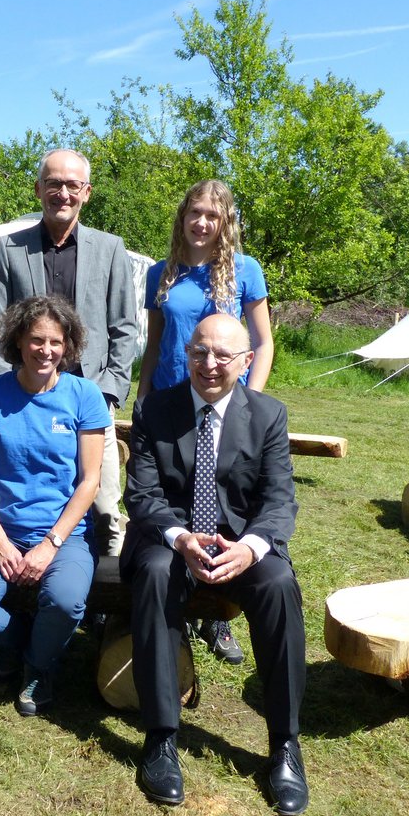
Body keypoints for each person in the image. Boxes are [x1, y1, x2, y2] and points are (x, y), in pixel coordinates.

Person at [123, 313, 307, 816]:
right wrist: (181, 538)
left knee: (279, 582)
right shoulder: (154, 410)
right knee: (157, 572)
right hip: (173, 538)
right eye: (199, 351)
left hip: (241, 544)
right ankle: (161, 738)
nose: (209, 364)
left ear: (246, 361)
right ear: (186, 354)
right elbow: (141, 494)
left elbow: (278, 501)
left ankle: (284, 744)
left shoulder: (268, 415)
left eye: (223, 355)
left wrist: (249, 547)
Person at [0, 295, 109, 715]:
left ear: (68, 345)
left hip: (65, 535)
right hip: (5, 531)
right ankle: (19, 641)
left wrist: (51, 544)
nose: (46, 350)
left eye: (56, 341)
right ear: (17, 340)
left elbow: (90, 481)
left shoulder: (84, 396)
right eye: (36, 340)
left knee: (67, 600)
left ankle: (39, 666)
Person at [138, 179, 276, 666]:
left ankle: (218, 614)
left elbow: (262, 342)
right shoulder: (163, 272)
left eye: (212, 216)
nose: (201, 222)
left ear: (225, 222)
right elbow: (154, 346)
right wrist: (143, 400)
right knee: (172, 502)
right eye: (194, 212)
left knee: (222, 504)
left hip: (224, 406)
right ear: (183, 216)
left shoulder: (245, 271)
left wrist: (248, 405)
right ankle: (172, 606)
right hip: (172, 408)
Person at [0, 148, 137, 559]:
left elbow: (125, 327)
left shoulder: (110, 249)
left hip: (89, 400)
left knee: (105, 508)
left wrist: (107, 393)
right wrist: (9, 392)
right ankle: (27, 598)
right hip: (25, 401)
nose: (63, 193)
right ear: (39, 189)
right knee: (28, 505)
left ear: (87, 192)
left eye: (73, 185)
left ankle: (105, 614)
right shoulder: (9, 250)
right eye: (54, 183)